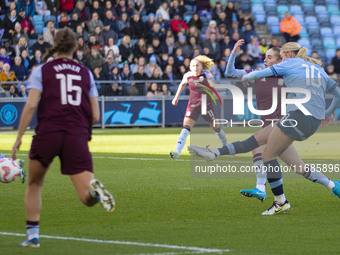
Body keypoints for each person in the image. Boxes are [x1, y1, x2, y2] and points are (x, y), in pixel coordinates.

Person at [188, 42, 340, 215]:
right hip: (303, 121)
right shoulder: (316, 68)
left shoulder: (288, 65)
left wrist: (249, 77)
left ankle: (280, 201)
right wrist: (326, 114)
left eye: (279, 57)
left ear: (288, 55)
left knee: (266, 153)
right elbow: (337, 95)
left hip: (295, 118)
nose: (279, 61)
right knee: (295, 165)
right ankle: (333, 185)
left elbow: (267, 72)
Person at [11, 27, 115, 248]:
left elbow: (31, 105)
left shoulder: (41, 70)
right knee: (85, 197)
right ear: (75, 48)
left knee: (35, 183)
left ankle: (33, 237)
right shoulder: (85, 73)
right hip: (76, 135)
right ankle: (94, 193)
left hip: (48, 133)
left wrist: (19, 137)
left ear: (54, 46)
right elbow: (95, 115)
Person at [169, 55, 227, 160]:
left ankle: (226, 147)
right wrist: (176, 97)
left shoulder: (207, 74)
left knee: (217, 128)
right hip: (193, 105)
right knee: (186, 128)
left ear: (201, 67)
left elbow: (213, 87)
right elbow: (182, 84)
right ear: (190, 67)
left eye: (197, 65)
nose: (195, 67)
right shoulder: (188, 75)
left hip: (206, 105)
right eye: (193, 66)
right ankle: (177, 152)